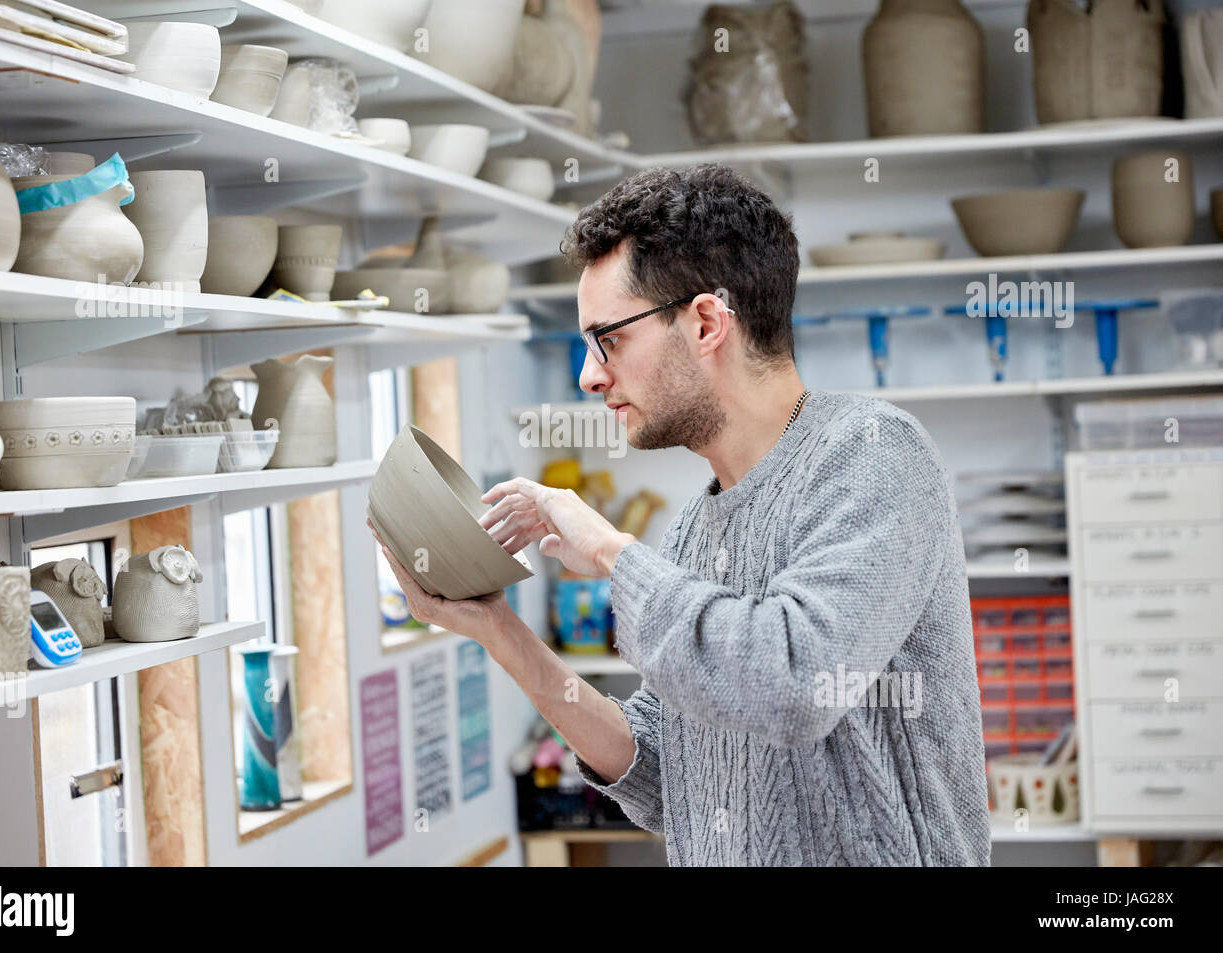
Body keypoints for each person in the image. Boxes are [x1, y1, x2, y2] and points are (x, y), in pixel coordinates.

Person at [369, 164, 991, 866]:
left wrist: (610, 551)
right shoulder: (694, 533)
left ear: (704, 322)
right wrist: (498, 629)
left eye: (609, 338)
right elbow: (669, 773)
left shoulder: (872, 455)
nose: (589, 375)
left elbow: (795, 685)